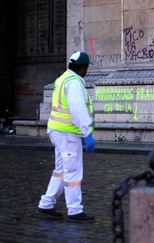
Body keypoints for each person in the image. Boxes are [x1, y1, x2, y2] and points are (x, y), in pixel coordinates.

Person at [38, 51, 96, 222]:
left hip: (58, 131)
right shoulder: (75, 83)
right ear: (82, 67)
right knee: (73, 171)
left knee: (61, 170)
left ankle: (47, 203)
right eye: (86, 68)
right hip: (68, 134)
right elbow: (77, 109)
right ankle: (75, 210)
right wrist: (87, 133)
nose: (87, 71)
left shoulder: (62, 79)